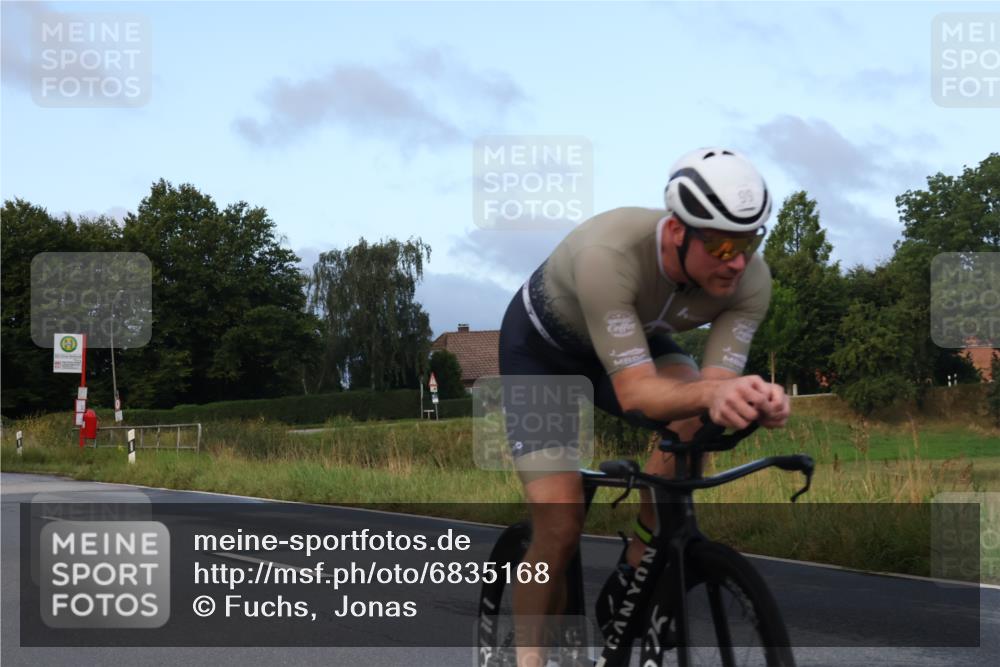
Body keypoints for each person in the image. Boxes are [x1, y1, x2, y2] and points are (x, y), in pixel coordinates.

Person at [497, 147, 792, 666]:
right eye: (722, 243)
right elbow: (636, 393)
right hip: (545, 354)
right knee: (560, 527)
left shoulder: (750, 281)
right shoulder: (607, 256)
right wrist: (712, 392)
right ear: (678, 231)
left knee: (697, 414)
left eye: (749, 241)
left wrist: (748, 399)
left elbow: (713, 391)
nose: (738, 261)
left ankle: (640, 556)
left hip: (637, 338)